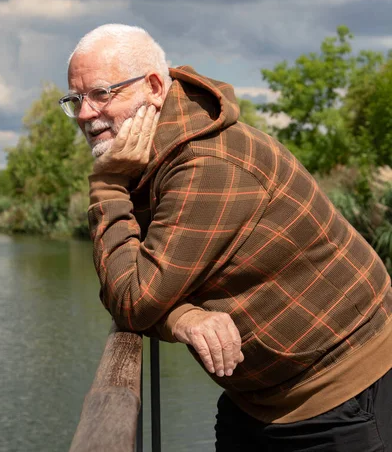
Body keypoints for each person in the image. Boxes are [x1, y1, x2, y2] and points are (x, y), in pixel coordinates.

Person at [61, 23, 392, 451]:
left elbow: (132, 298)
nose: (86, 114)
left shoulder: (207, 163)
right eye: (75, 100)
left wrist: (106, 186)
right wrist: (181, 318)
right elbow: (124, 281)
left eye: (103, 93)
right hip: (257, 401)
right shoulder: (154, 155)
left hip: (341, 398)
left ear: (156, 86)